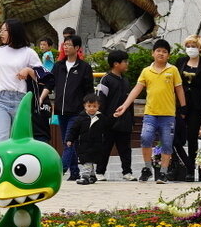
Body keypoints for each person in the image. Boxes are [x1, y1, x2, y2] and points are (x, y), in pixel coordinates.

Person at [112, 39, 186, 185]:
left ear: (168, 56)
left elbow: (179, 89)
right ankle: (147, 169)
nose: (161, 54)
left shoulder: (173, 70)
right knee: (145, 138)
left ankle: (163, 173)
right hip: (150, 114)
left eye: (165, 52)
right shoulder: (146, 71)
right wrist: (124, 106)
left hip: (168, 115)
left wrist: (183, 107)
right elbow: (136, 89)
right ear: (153, 53)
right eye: (158, 51)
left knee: (167, 143)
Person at [42, 35, 92, 180]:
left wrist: (87, 109)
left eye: (69, 45)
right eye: (65, 44)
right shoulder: (59, 66)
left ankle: (60, 170)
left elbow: (89, 90)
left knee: (68, 142)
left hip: (77, 112)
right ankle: (75, 173)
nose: (66, 47)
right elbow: (50, 84)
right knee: (68, 141)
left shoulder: (84, 67)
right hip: (61, 111)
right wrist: (41, 97)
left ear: (77, 48)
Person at [0, 19, 42, 143]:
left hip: (21, 100)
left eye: (4, 30)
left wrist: (28, 70)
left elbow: (43, 77)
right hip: (0, 100)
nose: (1, 33)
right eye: (0, 30)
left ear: (14, 31)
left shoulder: (29, 53)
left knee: (19, 141)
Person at [175, 35, 201, 181]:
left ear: (200, 48)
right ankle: (181, 165)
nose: (190, 49)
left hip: (197, 105)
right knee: (176, 138)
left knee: (192, 138)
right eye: (188, 46)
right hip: (180, 103)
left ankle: (191, 170)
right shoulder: (180, 62)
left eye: (194, 46)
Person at [96, 48, 135, 181]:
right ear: (116, 64)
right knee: (105, 147)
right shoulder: (106, 80)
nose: (127, 64)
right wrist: (103, 119)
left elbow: (130, 101)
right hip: (109, 121)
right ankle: (100, 172)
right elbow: (101, 101)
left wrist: (131, 119)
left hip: (125, 121)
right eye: (125, 61)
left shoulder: (126, 80)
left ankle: (127, 172)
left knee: (125, 148)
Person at [67, 93, 110, 185]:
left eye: (94, 106)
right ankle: (87, 176)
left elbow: (107, 129)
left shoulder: (101, 118)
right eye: (89, 106)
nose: (91, 108)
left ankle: (90, 176)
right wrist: (70, 139)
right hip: (83, 144)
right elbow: (73, 130)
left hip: (96, 144)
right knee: (86, 160)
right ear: (85, 106)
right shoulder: (80, 118)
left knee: (91, 160)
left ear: (98, 106)